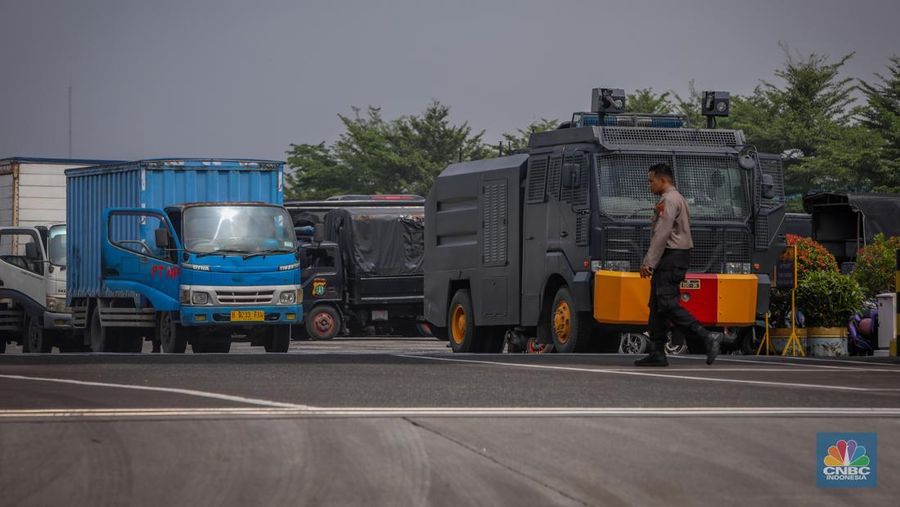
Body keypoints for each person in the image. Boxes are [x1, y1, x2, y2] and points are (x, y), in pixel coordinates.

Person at [636, 162, 723, 367]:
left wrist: (649, 261)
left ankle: (706, 336)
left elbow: (662, 233)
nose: (649, 185)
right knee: (656, 305)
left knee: (666, 303)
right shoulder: (677, 198)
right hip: (674, 256)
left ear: (662, 180)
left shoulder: (669, 200)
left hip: (671, 256)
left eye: (651, 181)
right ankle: (657, 352)